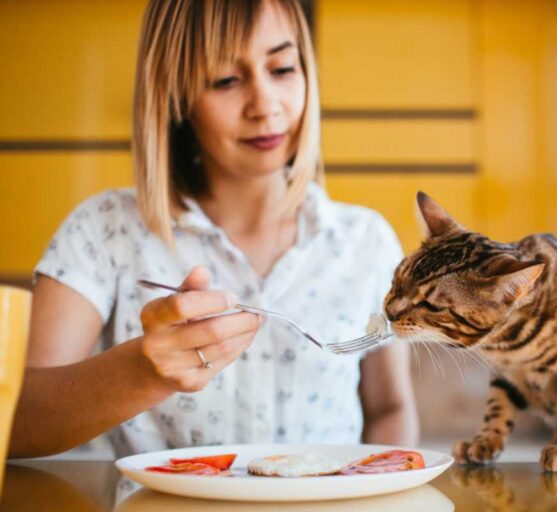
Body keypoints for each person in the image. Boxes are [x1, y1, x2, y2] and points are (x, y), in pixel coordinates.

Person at [10, 0, 418, 459]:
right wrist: (145, 372)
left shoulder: (366, 240)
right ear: (176, 97)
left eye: (282, 68)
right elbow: (14, 421)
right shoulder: (103, 230)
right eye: (225, 79)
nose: (265, 106)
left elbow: (389, 408)